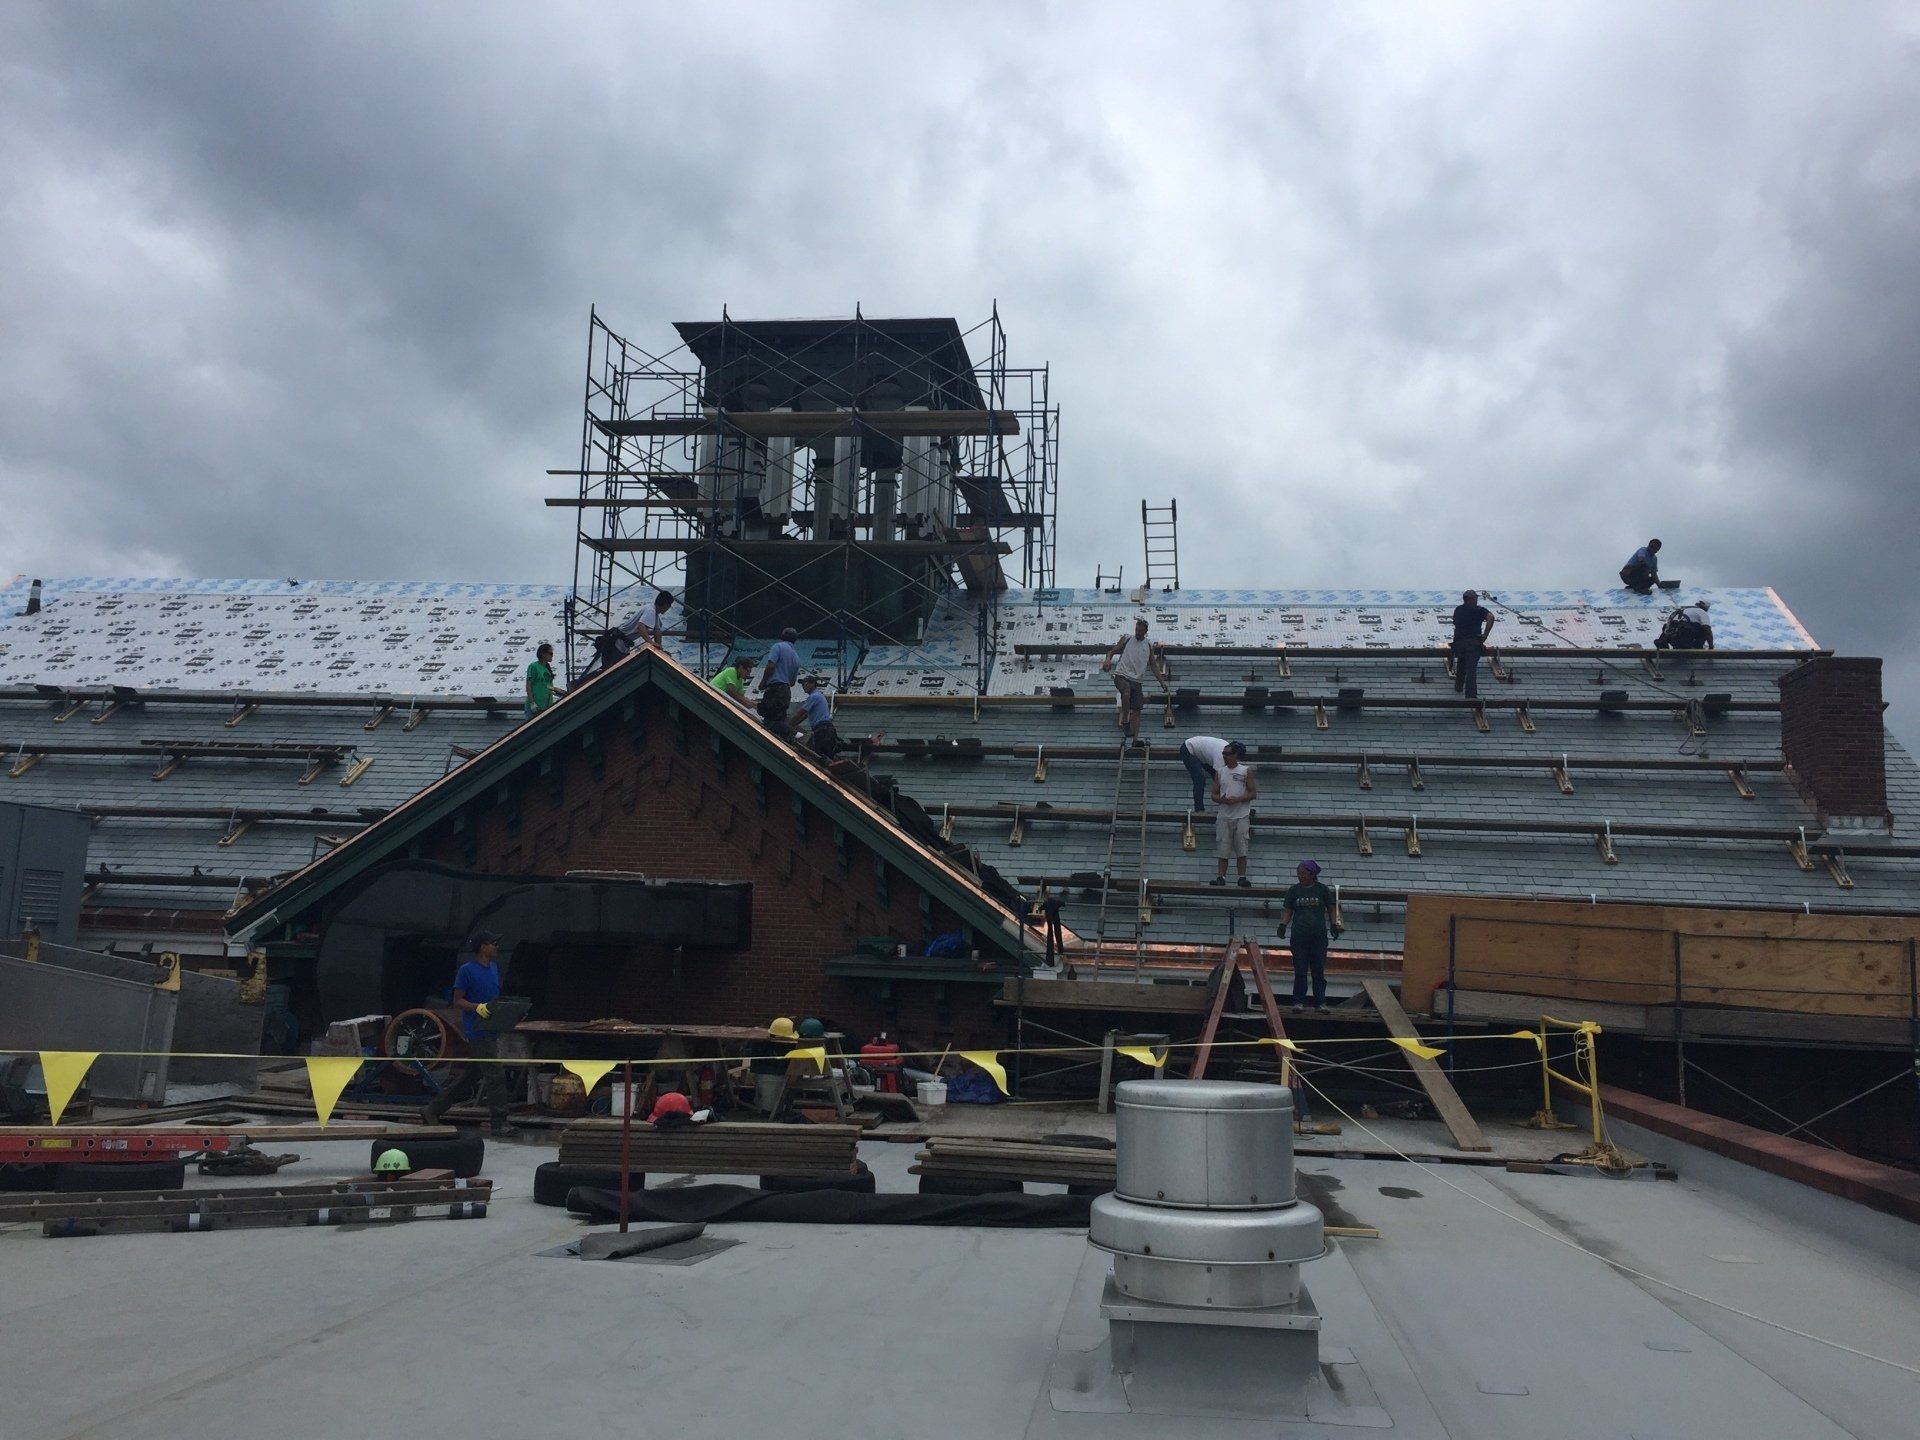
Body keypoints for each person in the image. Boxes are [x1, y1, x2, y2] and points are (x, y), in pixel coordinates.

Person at [423, 930, 515, 1130]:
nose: (496, 947)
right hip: (477, 1030)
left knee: (472, 1075)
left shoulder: (493, 968)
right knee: (495, 1074)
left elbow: (494, 998)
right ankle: (500, 1122)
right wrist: (477, 1007)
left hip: (490, 1029)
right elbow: (457, 1001)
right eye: (493, 943)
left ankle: (433, 1109)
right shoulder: (467, 970)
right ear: (483, 947)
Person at [1279, 861, 1343, 1011]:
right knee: (1300, 969)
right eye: (1299, 873)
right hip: (1299, 936)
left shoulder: (1322, 890)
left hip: (1318, 936)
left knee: (1318, 969)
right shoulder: (1294, 890)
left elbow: (1332, 908)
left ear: (1312, 875)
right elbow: (1288, 910)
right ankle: (1298, 1001)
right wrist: (1283, 925)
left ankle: (1320, 1002)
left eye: (1303, 873)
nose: (1300, 876)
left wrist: (1334, 925)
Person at [1101, 617, 1166, 745]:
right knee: (1126, 692)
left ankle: (1135, 739)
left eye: (1140, 631)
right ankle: (1125, 721)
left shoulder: (1148, 645)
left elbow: (1153, 665)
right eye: (1136, 629)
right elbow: (1111, 651)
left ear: (1145, 631)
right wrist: (1107, 660)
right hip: (1121, 675)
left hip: (1136, 680)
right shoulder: (1127, 639)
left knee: (1137, 710)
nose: (1137, 632)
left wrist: (1162, 682)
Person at [1208, 742, 1257, 888]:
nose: (1224, 756)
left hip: (1241, 814)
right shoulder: (1220, 771)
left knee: (1241, 846)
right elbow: (1213, 794)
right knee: (1223, 846)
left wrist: (1238, 799)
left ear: (1235, 755)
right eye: (1223, 753)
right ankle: (1221, 876)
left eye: (1227, 754)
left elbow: (1253, 793)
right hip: (1224, 814)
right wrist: (1221, 800)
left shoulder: (1245, 771)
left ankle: (1242, 876)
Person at [1449, 590, 1496, 701]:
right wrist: (1485, 635)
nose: (1477, 600)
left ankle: (1459, 686)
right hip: (1473, 644)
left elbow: (1456, 623)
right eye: (1476, 598)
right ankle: (1471, 697)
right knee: (1471, 669)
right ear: (1471, 599)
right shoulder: (1478, 610)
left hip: (1459, 643)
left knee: (1461, 663)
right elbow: (1491, 617)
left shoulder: (1458, 610)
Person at [756, 627, 802, 733]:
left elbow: (771, 666)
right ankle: (790, 736)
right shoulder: (796, 657)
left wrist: (763, 682)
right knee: (779, 720)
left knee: (769, 721)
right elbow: (792, 682)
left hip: (775, 690)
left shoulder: (778, 647)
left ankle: (794, 734)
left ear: (782, 636)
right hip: (786, 692)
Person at [791, 673, 843, 757]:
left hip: (823, 730)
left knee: (821, 756)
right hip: (826, 729)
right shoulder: (818, 696)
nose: (803, 686)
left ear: (813, 684)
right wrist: (794, 724)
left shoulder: (814, 697)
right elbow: (805, 715)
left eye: (806, 684)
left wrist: (788, 724)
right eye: (803, 684)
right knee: (825, 756)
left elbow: (800, 713)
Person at [1178, 735, 1231, 812]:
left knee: (1220, 778)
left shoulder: (1228, 750)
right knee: (1200, 778)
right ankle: (1199, 810)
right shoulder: (1220, 757)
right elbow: (1219, 781)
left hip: (1204, 754)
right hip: (1188, 749)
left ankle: (1231, 807)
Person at [524, 642, 558, 719]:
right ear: (543, 654)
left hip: (546, 707)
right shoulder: (534, 666)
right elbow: (528, 685)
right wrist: (532, 703)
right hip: (535, 707)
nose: (552, 656)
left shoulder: (547, 668)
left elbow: (548, 686)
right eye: (550, 653)